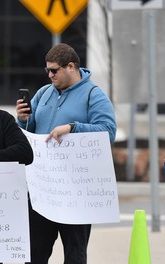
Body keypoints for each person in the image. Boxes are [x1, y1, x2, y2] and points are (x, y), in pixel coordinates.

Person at [16, 43, 117, 264]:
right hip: (42, 189)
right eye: (47, 71)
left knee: (75, 255)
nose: (49, 75)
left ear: (70, 66)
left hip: (76, 194)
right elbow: (29, 131)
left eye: (54, 70)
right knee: (33, 254)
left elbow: (108, 132)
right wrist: (23, 119)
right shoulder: (44, 93)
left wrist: (73, 127)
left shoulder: (94, 95)